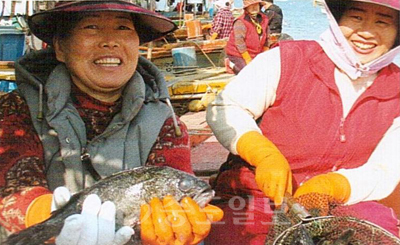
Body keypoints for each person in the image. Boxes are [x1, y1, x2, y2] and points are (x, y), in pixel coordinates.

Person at [0, 1, 222, 244]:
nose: (110, 41)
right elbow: (13, 193)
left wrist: (174, 231)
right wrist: (51, 222)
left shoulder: (165, 122)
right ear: (60, 48)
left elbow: (175, 185)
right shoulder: (17, 108)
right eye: (91, 27)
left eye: (123, 28)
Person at [206, 0, 400, 244]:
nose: (366, 32)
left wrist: (333, 186)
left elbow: (386, 168)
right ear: (338, 19)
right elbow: (227, 105)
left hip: (341, 205)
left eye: (382, 21)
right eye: (356, 17)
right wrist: (262, 153)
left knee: (377, 227)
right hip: (256, 196)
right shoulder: (287, 57)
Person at [224, 0, 269, 74]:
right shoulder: (240, 22)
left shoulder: (265, 19)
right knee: (247, 72)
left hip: (256, 53)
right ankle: (229, 63)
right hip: (237, 54)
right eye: (251, 5)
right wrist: (248, 60)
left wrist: (265, 56)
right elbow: (239, 43)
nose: (254, 7)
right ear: (247, 8)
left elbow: (267, 39)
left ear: (259, 6)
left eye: (256, 5)